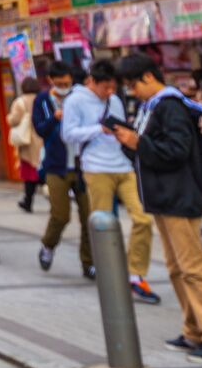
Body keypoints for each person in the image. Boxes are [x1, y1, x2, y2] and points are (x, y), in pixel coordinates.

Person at [115, 54, 202, 364]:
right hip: (163, 199)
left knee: (194, 270)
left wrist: (137, 142)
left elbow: (175, 151)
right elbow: (147, 153)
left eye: (133, 85)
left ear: (147, 77)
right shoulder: (153, 107)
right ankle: (194, 331)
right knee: (177, 269)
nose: (132, 92)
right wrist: (128, 141)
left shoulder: (170, 106)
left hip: (180, 198)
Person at [66, 60, 158, 302]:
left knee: (143, 218)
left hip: (124, 166)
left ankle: (135, 274)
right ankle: (109, 276)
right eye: (105, 87)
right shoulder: (75, 100)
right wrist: (98, 129)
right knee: (103, 224)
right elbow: (68, 134)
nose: (110, 92)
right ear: (92, 82)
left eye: (112, 87)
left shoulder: (115, 101)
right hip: (96, 168)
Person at [34, 60, 93, 278]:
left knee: (89, 216)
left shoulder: (79, 99)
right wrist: (54, 118)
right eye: (59, 83)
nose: (63, 86)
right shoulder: (43, 100)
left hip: (81, 166)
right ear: (50, 81)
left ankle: (88, 262)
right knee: (61, 214)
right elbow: (39, 129)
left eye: (67, 82)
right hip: (55, 166)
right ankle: (48, 246)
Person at [8, 76, 43, 212]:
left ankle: (28, 201)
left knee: (29, 174)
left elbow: (14, 120)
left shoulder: (20, 102)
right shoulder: (43, 99)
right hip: (43, 138)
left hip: (28, 141)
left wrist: (9, 118)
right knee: (43, 169)